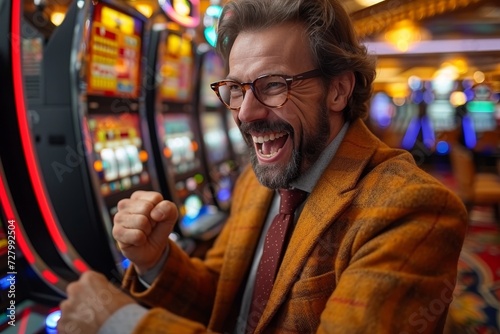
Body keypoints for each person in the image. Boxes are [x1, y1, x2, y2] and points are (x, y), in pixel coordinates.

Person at [57, 0, 468, 333]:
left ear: (339, 89)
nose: (246, 113)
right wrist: (156, 261)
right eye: (236, 89)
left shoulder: (413, 208)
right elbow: (224, 297)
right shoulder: (258, 182)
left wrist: (124, 324)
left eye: (273, 85)